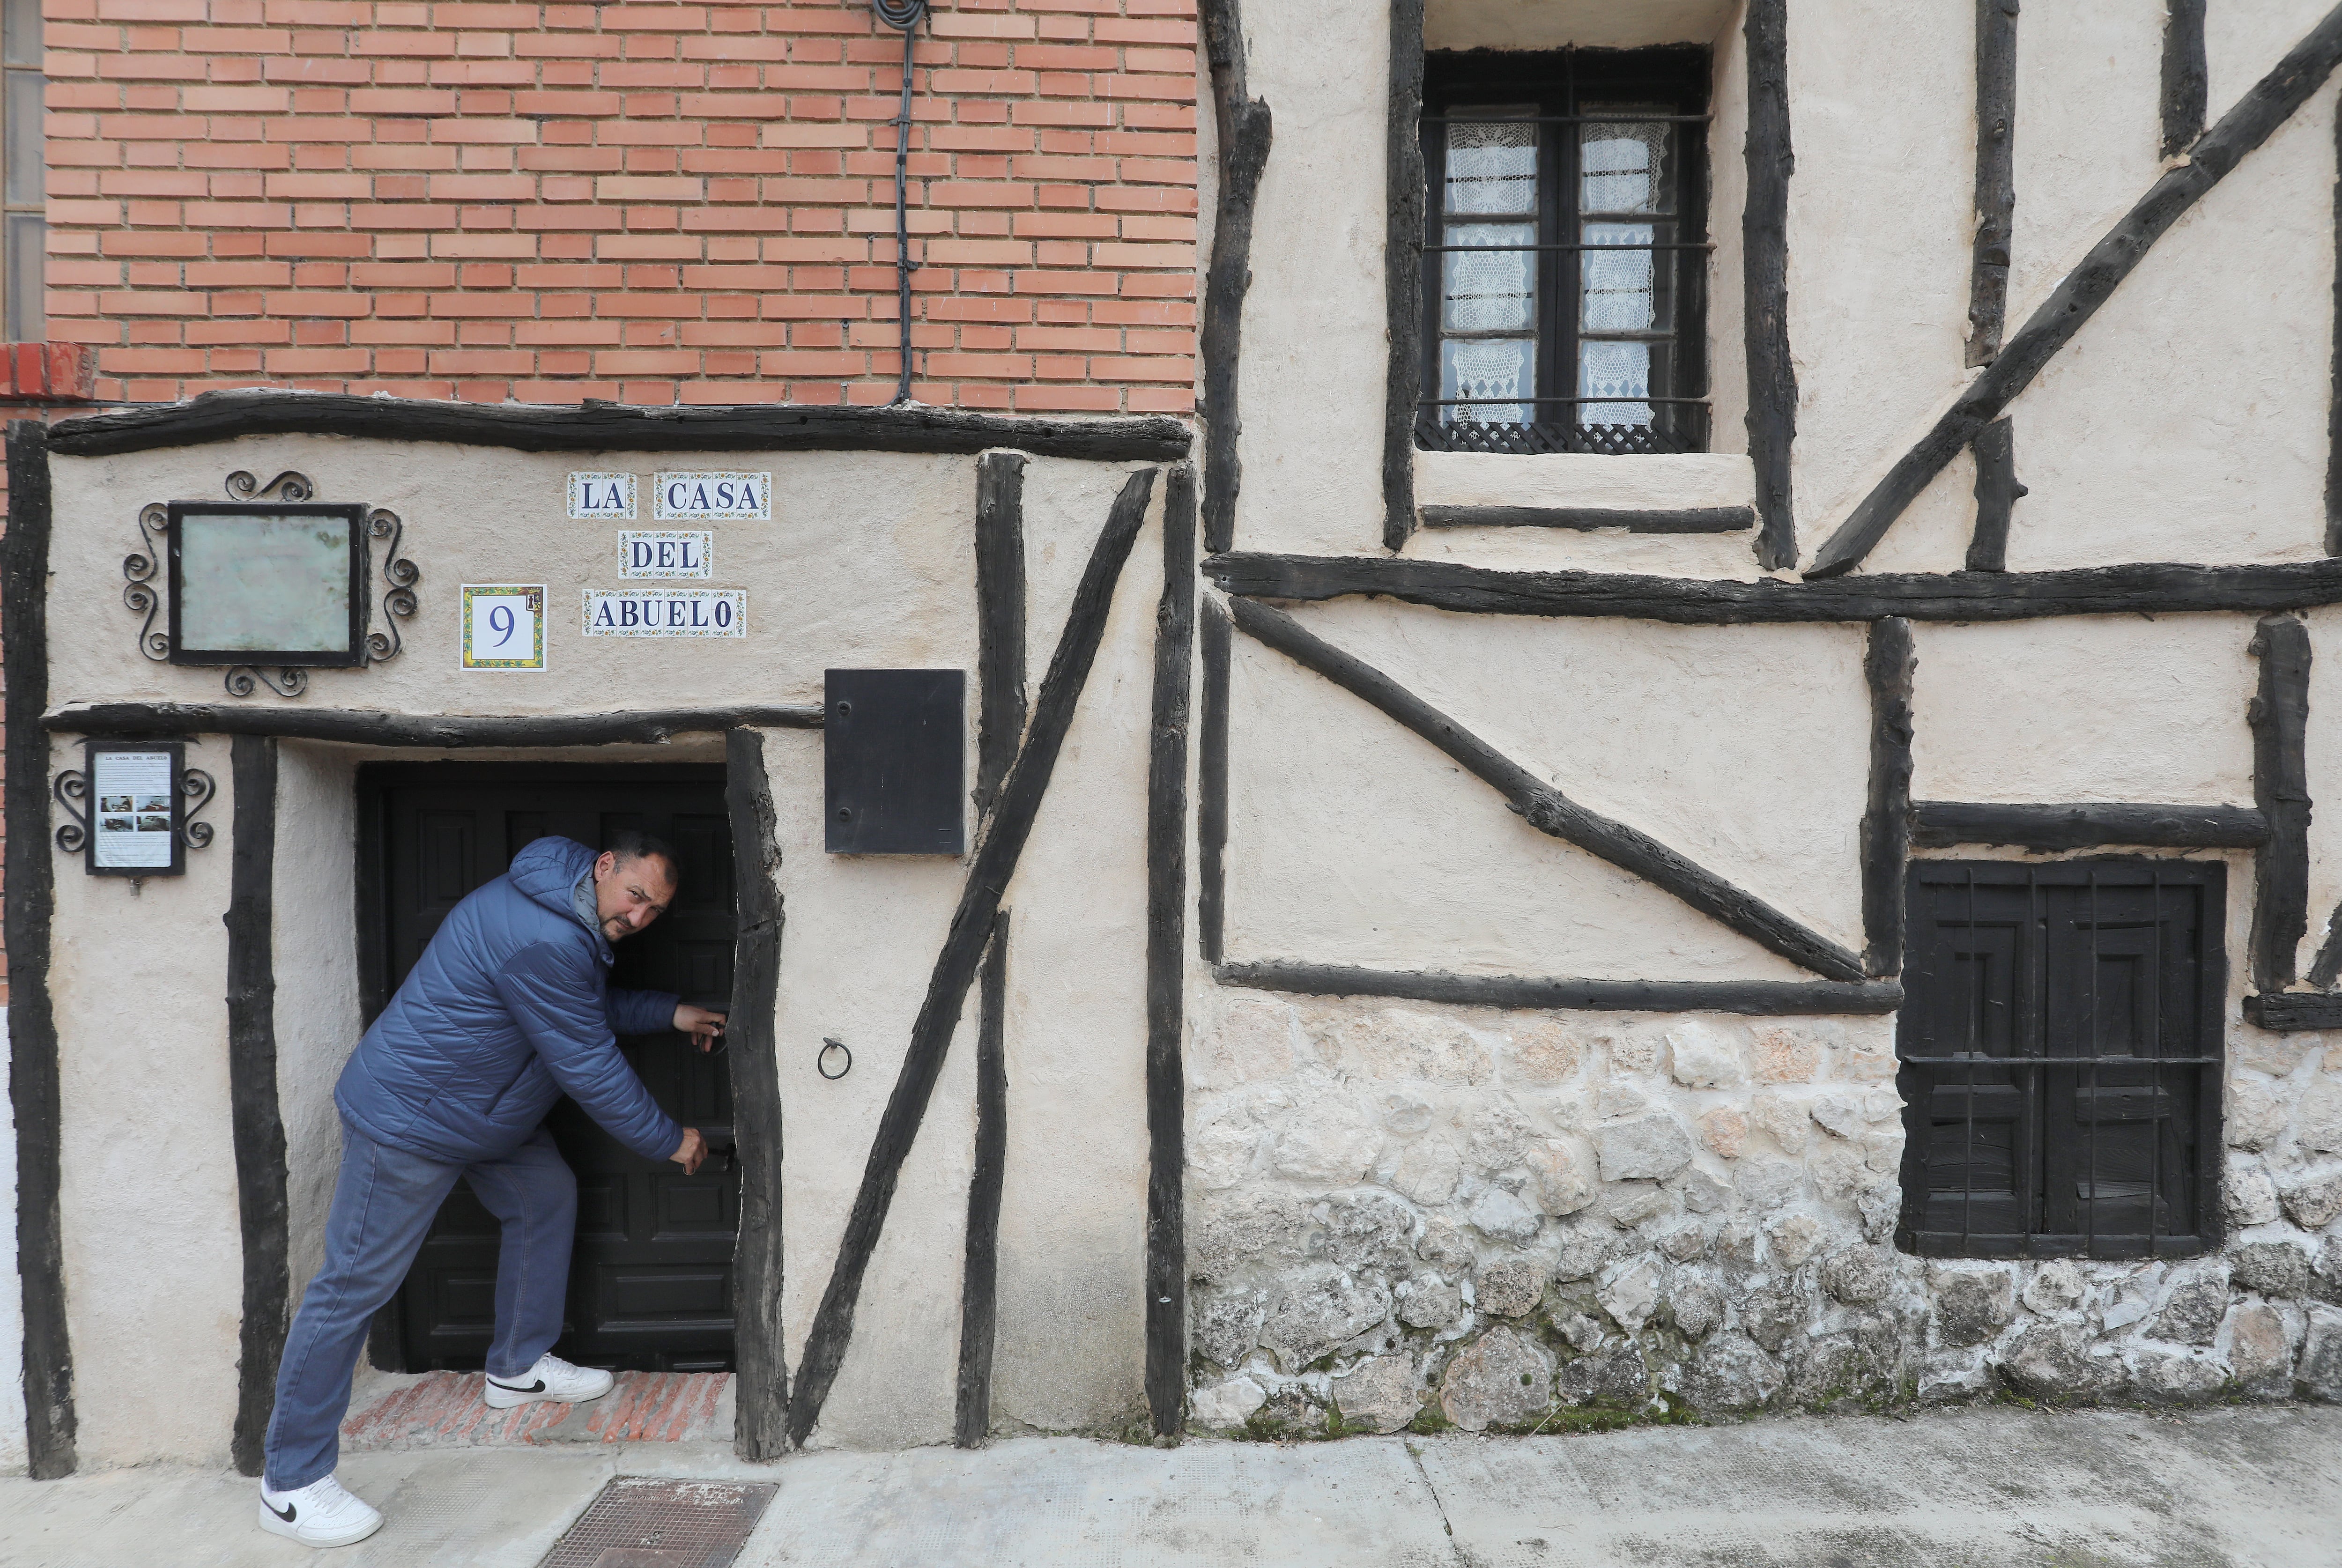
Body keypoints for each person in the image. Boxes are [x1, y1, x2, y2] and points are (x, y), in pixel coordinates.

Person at [257, 830, 726, 1548]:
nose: (639, 920)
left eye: (655, 912)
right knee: (352, 1287)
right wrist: (670, 1139)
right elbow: (587, 1062)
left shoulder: (562, 909)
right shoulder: (545, 935)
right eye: (635, 897)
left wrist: (669, 1011)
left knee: (546, 1196)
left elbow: (576, 1008)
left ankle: (516, 1365)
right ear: (604, 868)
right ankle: (291, 1483)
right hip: (413, 1118)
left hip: (483, 1114)